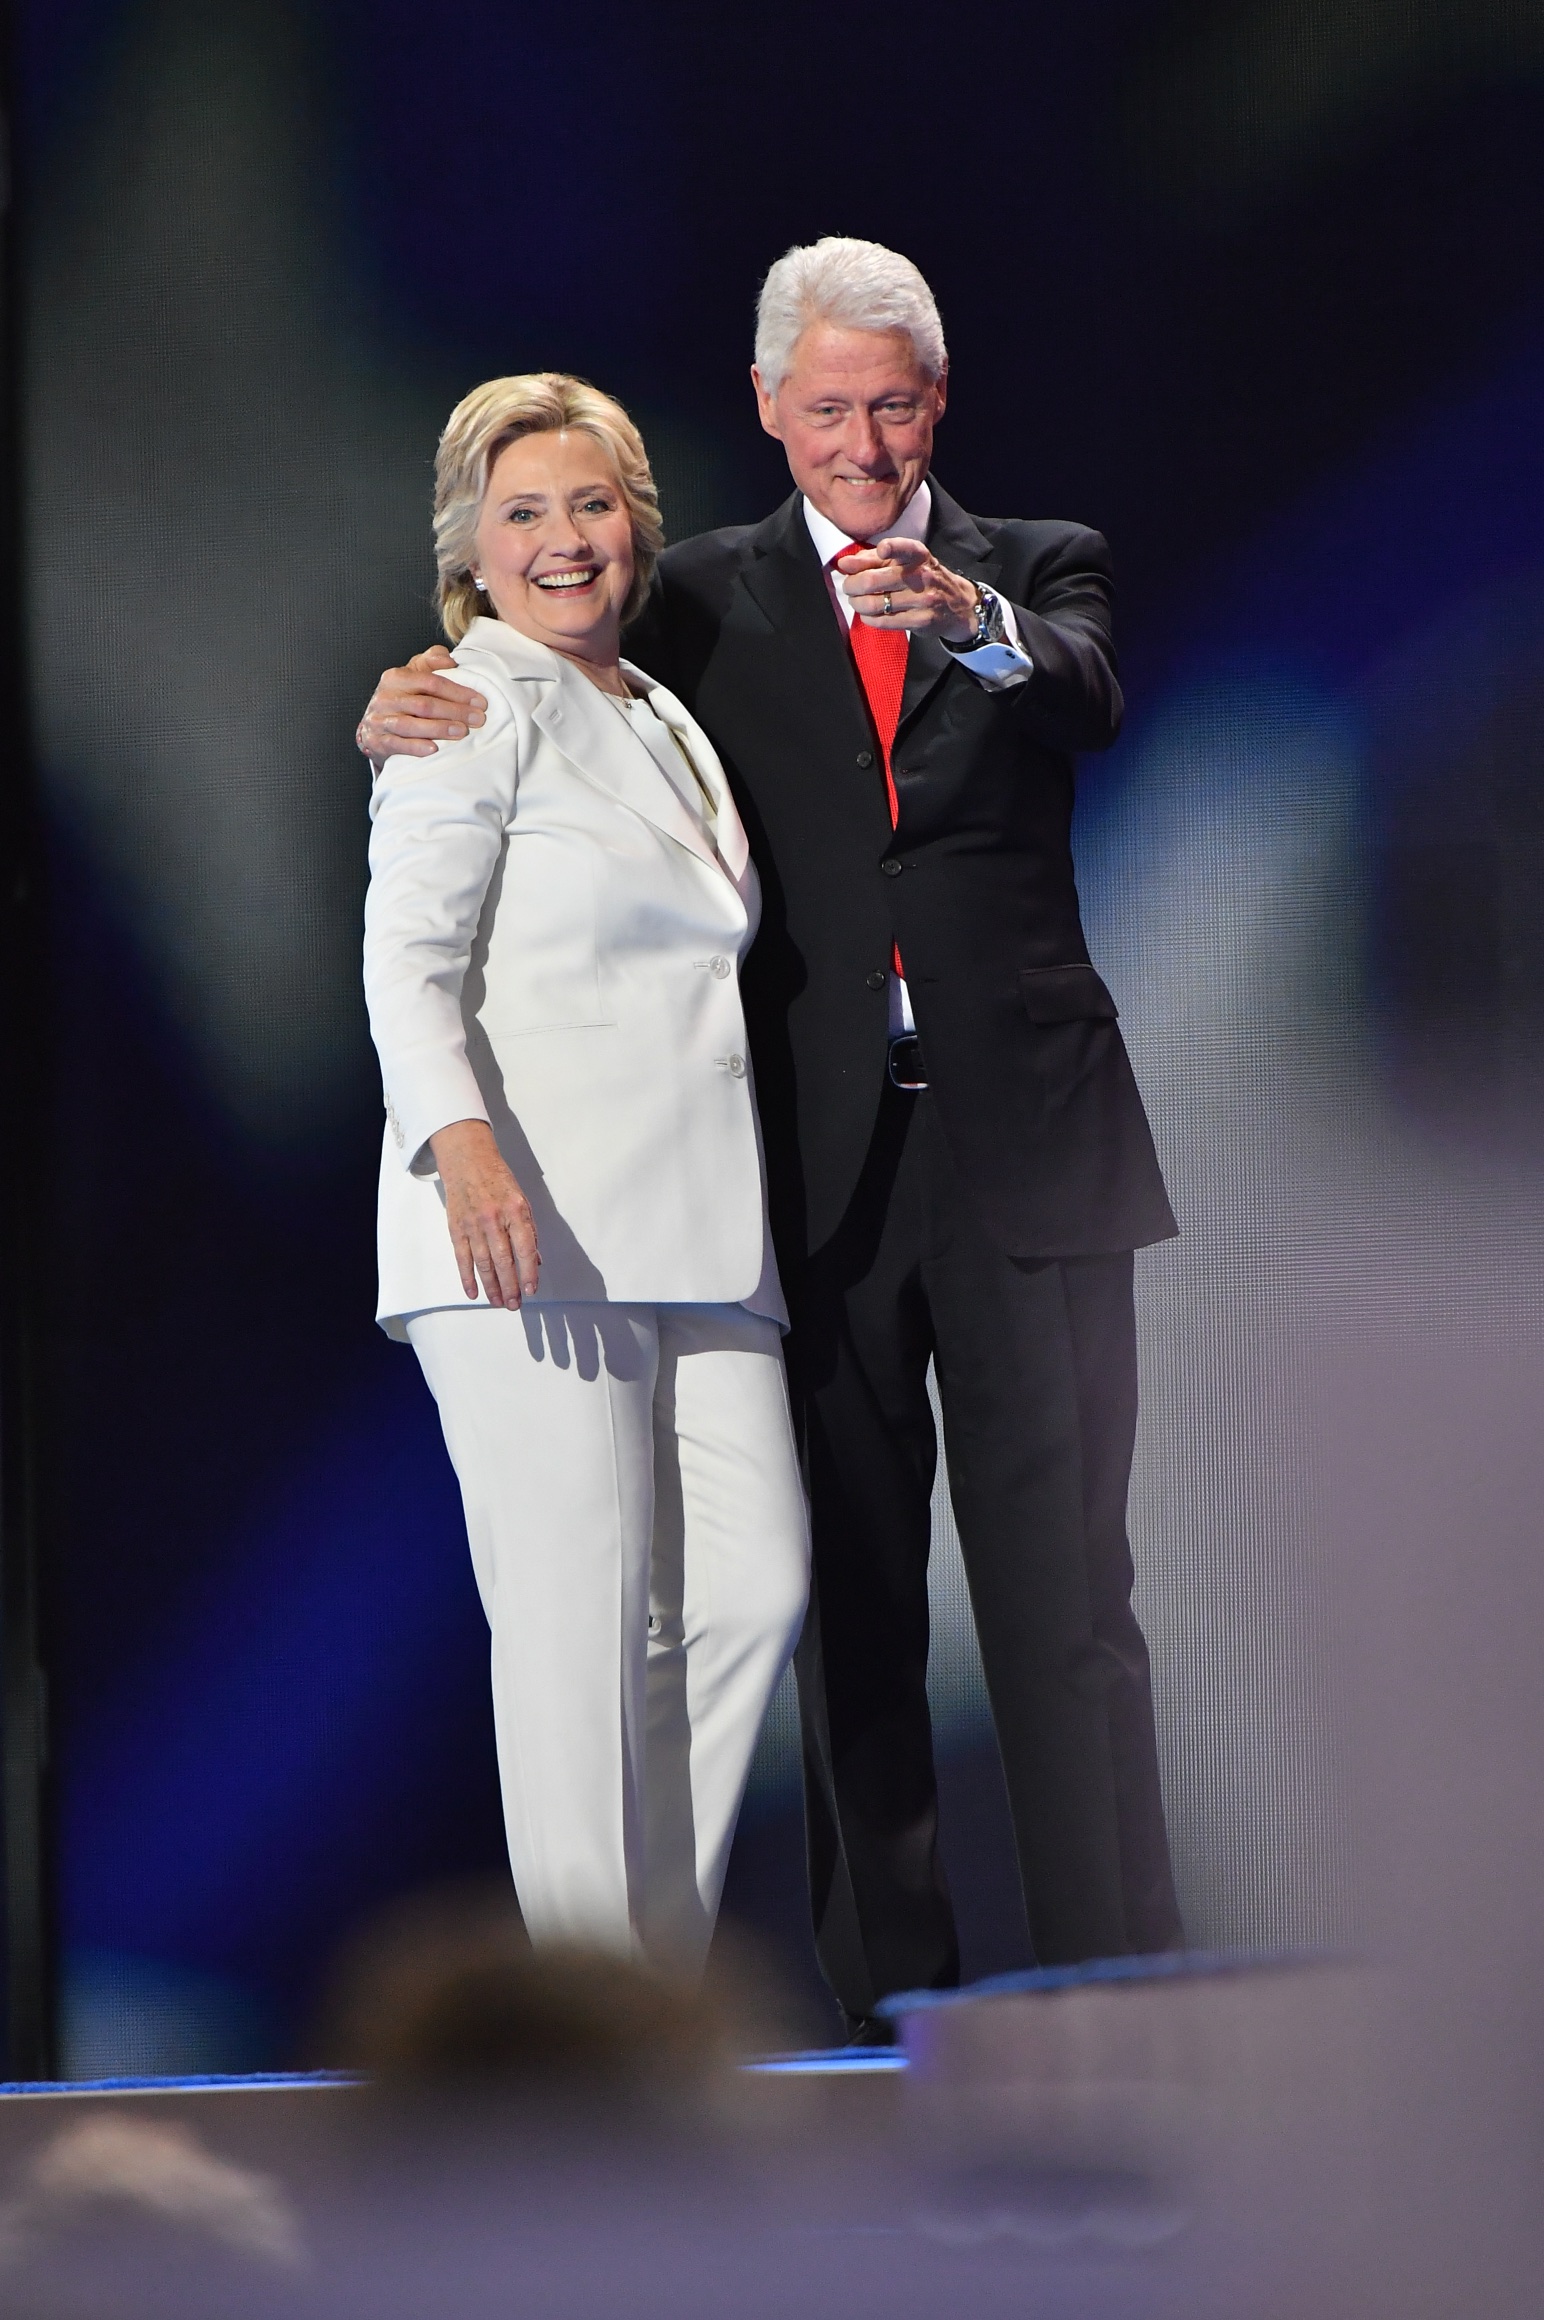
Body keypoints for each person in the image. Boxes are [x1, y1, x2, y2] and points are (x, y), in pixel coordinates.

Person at [359, 243, 1183, 2039]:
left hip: (1015, 1151)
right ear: (768, 413)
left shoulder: (1037, 568)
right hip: (799, 1180)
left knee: (1041, 1600)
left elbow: (1083, 687)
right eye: (828, 409)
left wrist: (963, 618)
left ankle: (1131, 1995)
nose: (864, 441)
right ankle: (876, 2019)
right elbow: (515, 674)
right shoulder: (697, 608)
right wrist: (396, 708)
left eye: (893, 404)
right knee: (842, 1613)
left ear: (938, 400)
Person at [362, 373, 809, 1976]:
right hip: (524, 1225)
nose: (566, 540)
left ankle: (640, 1990)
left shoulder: (654, 710)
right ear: (469, 550)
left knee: (751, 1587)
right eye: (525, 513)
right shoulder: (464, 703)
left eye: (594, 504)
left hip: (694, 1229)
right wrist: (461, 1148)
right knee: (579, 1623)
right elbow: (401, 961)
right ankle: (595, 2040)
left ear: (641, 524)